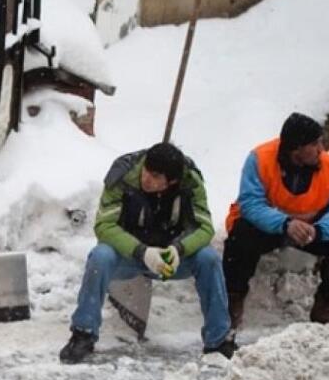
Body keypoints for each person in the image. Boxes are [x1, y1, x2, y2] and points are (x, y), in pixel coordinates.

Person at [60, 142, 234, 363]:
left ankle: (218, 340)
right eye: (146, 170)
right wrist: (141, 252)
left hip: (172, 258)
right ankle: (83, 333)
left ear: (171, 181)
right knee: (100, 256)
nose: (146, 178)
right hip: (129, 255)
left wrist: (179, 249)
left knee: (208, 259)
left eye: (155, 176)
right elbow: (104, 226)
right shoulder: (122, 175)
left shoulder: (191, 182)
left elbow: (204, 227)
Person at [222, 113, 329, 331]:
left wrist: (320, 230)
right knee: (240, 236)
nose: (321, 149)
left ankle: (327, 304)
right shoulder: (260, 159)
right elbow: (250, 203)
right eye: (314, 143)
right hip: (269, 228)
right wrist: (284, 223)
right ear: (296, 148)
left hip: (311, 230)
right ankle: (233, 299)